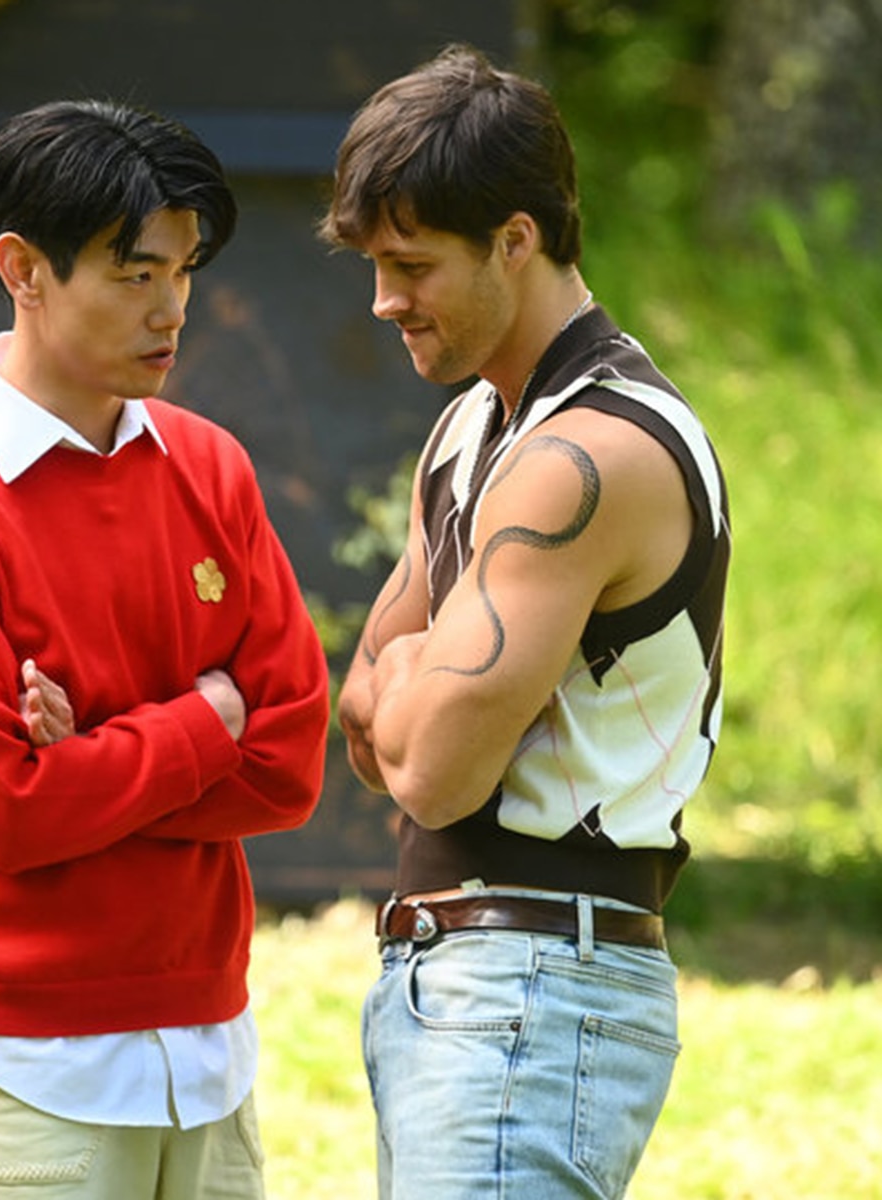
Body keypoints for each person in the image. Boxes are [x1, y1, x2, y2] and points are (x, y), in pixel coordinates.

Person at [0, 98, 329, 1199]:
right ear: (23, 269)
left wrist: (90, 755)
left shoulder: (212, 466)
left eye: (183, 271)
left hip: (210, 1051)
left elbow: (291, 763)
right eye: (135, 273)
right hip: (14, 1064)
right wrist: (204, 720)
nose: (172, 309)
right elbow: (9, 810)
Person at [320, 45, 730, 1200]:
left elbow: (432, 769)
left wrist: (412, 671)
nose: (383, 300)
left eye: (412, 265)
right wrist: (415, 680)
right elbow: (363, 724)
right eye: (375, 265)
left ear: (515, 239)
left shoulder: (585, 459)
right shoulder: (472, 430)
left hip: (537, 986)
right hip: (462, 981)